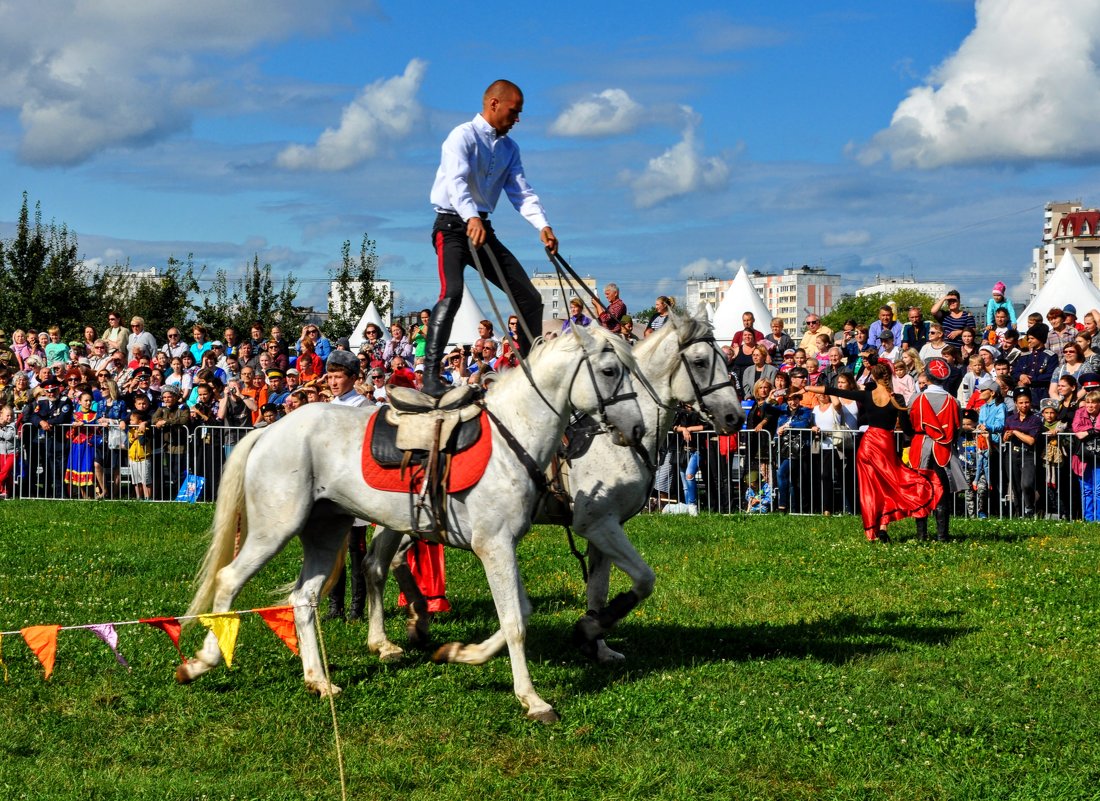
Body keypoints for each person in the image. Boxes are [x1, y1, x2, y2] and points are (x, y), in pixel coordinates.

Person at [424, 79, 556, 397]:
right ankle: (429, 377)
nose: (518, 119)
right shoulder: (462, 136)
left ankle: (529, 373)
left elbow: (521, 192)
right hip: (451, 227)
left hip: (481, 227)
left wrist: (543, 225)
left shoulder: (510, 149)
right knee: (452, 292)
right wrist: (470, 216)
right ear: (494, 104)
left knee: (529, 298)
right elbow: (455, 182)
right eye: (514, 111)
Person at [804, 362, 939, 542]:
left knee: (870, 489)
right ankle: (883, 525)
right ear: (889, 376)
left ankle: (873, 531)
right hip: (885, 444)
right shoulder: (896, 398)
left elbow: (836, 391)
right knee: (890, 485)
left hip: (867, 445)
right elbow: (907, 428)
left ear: (873, 378)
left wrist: (807, 387)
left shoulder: (867, 395)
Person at [324, 349, 372, 621]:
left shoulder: (363, 406)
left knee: (357, 549)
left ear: (353, 378)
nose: (333, 382)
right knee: (334, 548)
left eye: (338, 377)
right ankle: (335, 606)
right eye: (330, 376)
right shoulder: (329, 405)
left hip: (353, 484)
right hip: (332, 485)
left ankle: (357, 608)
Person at [908, 358, 964, 540]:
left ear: (929, 377)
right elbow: (957, 428)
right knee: (942, 490)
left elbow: (911, 424)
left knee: (920, 489)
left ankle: (922, 535)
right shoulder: (953, 401)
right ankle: (942, 535)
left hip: (921, 445)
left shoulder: (917, 398)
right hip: (944, 448)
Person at [1070, 389, 1100, 521]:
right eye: (1088, 402)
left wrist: (1088, 432)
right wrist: (1094, 431)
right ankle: (1088, 519)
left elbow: (1091, 430)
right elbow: (1076, 429)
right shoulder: (1079, 412)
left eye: (1093, 403)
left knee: (1098, 490)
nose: (1090, 405)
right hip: (1083, 456)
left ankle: (1098, 519)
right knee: (1086, 489)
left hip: (1099, 456)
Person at [127, 408, 153, 500]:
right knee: (136, 480)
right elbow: (128, 443)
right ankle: (139, 496)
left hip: (143, 458)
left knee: (145, 480)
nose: (130, 421)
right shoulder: (131, 430)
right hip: (133, 458)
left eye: (132, 420)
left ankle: (147, 497)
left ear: (140, 421)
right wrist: (133, 437)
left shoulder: (146, 430)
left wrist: (140, 432)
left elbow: (142, 442)